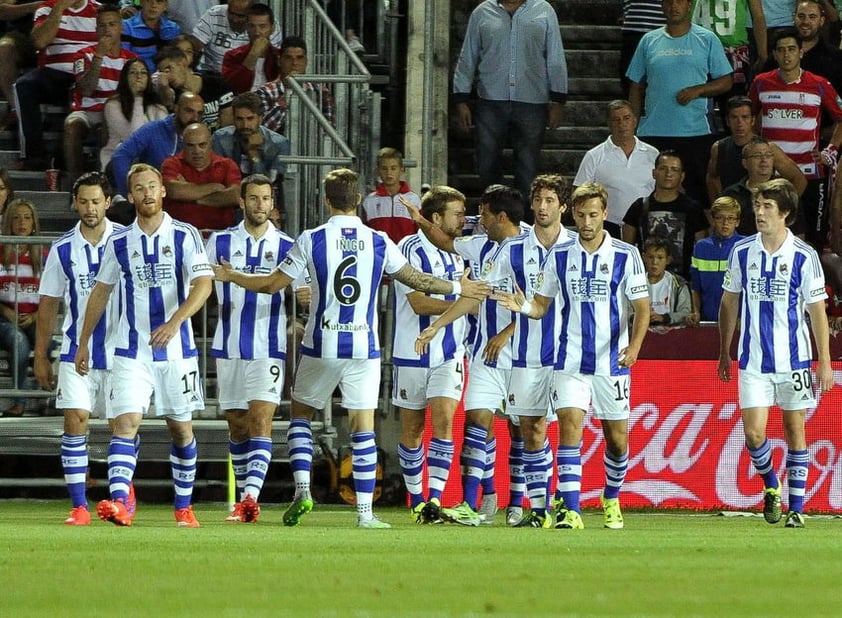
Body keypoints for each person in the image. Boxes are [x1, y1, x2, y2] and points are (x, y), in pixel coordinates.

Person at [211, 168, 489, 529]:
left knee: (300, 415)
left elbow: (271, 284)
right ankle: (364, 513)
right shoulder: (378, 240)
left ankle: (302, 490)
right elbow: (416, 280)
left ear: (327, 200)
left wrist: (232, 276)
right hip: (363, 347)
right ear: (358, 200)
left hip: (320, 345)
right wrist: (457, 288)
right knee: (363, 427)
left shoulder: (311, 239)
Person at [496, 182, 650, 530]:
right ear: (574, 213)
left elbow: (642, 309)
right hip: (569, 361)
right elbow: (541, 306)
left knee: (617, 440)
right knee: (569, 425)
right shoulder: (561, 256)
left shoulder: (626, 255)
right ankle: (571, 509)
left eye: (593, 214)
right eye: (581, 214)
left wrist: (635, 348)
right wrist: (523, 306)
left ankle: (611, 498)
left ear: (604, 214)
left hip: (612, 361)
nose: (586, 221)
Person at [74, 162, 213, 528]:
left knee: (181, 429)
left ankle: (184, 507)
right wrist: (83, 342)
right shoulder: (119, 242)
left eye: (153, 186)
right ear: (130, 195)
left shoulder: (185, 235)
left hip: (178, 353)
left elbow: (203, 285)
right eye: (140, 188)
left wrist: (175, 320)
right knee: (126, 423)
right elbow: (100, 292)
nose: (147, 193)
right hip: (130, 351)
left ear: (163, 191)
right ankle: (119, 500)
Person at [718, 178, 833, 528]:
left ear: (786, 213)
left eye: (768, 207)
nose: (760, 212)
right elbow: (729, 301)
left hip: (794, 361)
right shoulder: (742, 252)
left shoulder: (804, 256)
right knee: (753, 433)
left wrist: (824, 361)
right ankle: (772, 485)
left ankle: (797, 508)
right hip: (753, 361)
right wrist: (724, 349)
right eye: (758, 206)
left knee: (794, 429)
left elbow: (817, 312)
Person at [411, 184, 527, 527]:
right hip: (483, 353)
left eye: (485, 215)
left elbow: (544, 303)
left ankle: (518, 503)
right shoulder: (480, 246)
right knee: (476, 423)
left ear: (501, 217)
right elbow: (468, 288)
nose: (478, 221)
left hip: (524, 354)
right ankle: (468, 502)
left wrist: (508, 332)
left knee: (522, 431)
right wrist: (439, 325)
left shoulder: (534, 249)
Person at [33, 171, 127, 525]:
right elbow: (48, 303)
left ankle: (121, 496)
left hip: (122, 349)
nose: (90, 208)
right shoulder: (62, 248)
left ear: (108, 202)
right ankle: (79, 506)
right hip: (76, 348)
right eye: (83, 201)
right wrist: (41, 356)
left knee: (123, 423)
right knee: (75, 420)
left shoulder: (125, 240)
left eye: (96, 201)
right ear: (75, 203)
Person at [205, 174, 294, 523]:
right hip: (228, 345)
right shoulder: (220, 243)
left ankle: (249, 499)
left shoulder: (287, 246)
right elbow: (201, 283)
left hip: (268, 345)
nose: (260, 205)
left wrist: (304, 299)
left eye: (266, 199)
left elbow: (303, 289)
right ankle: (244, 498)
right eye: (253, 199)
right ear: (241, 202)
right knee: (238, 425)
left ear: (273, 204)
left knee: (261, 419)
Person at [392, 185, 467, 524]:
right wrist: (462, 302)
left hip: (450, 351)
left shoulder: (461, 251)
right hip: (412, 349)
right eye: (457, 214)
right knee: (412, 430)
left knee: (444, 420)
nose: (463, 220)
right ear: (436, 217)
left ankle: (435, 498)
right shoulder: (408, 248)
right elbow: (417, 301)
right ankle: (417, 500)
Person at [452, 0, 568, 203]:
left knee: (528, 168)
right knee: (487, 165)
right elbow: (467, 56)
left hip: (532, 101)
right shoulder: (482, 12)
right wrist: (461, 99)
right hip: (490, 100)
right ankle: (494, 216)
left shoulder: (544, 11)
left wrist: (558, 99)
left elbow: (555, 56)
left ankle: (523, 223)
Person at [627, 0, 734, 205]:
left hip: (695, 132)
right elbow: (635, 85)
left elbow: (726, 81)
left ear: (689, 5)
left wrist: (698, 90)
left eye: (679, 1)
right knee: (649, 194)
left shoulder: (707, 39)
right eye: (668, 1)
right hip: (653, 132)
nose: (673, 6)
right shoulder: (648, 40)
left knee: (696, 196)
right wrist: (633, 123)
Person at [749, 28, 842, 251]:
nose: (786, 55)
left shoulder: (819, 84)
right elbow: (750, 116)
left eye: (791, 49)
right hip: (772, 176)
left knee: (813, 239)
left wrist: (830, 150)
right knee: (770, 236)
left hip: (811, 174)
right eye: (780, 50)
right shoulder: (761, 83)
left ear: (801, 52)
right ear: (774, 54)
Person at [12, 0, 101, 170]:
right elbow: (39, 42)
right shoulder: (47, 7)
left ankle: (64, 162)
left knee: (78, 92)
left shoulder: (99, 9)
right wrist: (59, 8)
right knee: (23, 85)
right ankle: (33, 156)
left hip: (85, 74)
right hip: (54, 73)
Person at [64, 4, 137, 183]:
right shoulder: (83, 55)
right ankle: (76, 184)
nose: (107, 30)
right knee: (72, 125)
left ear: (121, 27)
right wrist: (99, 57)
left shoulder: (132, 60)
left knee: (111, 119)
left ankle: (104, 182)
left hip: (119, 111)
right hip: (89, 111)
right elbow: (86, 89)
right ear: (96, 30)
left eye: (112, 24)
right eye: (102, 26)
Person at [572, 99, 659, 235]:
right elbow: (579, 195)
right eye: (616, 120)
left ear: (635, 121)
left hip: (646, 226)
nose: (622, 124)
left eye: (626, 118)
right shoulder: (594, 156)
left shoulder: (653, 154)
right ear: (609, 124)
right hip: (607, 227)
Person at [622, 150, 708, 279]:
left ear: (682, 176)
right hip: (644, 282)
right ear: (654, 173)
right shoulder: (639, 207)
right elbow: (626, 249)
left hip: (682, 282)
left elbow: (702, 248)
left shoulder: (693, 209)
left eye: (674, 169)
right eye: (663, 168)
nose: (668, 174)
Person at [706, 95, 807, 202]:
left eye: (745, 117)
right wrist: (718, 207)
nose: (739, 123)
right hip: (734, 212)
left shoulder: (768, 148)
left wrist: (783, 208)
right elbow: (712, 177)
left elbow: (799, 179)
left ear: (752, 120)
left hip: (762, 210)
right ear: (727, 121)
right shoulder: (719, 147)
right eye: (734, 117)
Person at [0, 198, 47, 418]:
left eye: (27, 218)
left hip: (33, 317)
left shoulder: (45, 257)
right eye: (16, 218)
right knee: (19, 341)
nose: (22, 223)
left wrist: (37, 314)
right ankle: (19, 401)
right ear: (8, 223)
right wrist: (4, 309)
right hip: (3, 318)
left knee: (47, 341)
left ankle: (44, 398)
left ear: (34, 224)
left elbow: (53, 296)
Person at [109, 90, 203, 197]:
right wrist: (129, 193)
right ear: (176, 109)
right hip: (151, 197)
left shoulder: (203, 137)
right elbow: (121, 155)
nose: (195, 118)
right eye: (189, 111)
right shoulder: (153, 129)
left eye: (199, 113)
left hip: (186, 197)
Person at [161, 121, 241, 232]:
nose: (197, 151)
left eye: (202, 145)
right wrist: (215, 188)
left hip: (222, 235)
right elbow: (173, 191)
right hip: (180, 236)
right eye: (190, 146)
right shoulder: (171, 164)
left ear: (210, 144)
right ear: (183, 145)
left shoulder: (227, 165)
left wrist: (191, 197)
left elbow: (235, 196)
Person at [722, 137, 808, 236]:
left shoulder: (786, 194)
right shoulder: (731, 195)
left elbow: (798, 235)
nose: (764, 160)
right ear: (745, 163)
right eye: (757, 156)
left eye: (768, 155)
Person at [255, 35, 334, 136]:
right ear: (279, 61)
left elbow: (329, 132)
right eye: (288, 58)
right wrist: (287, 95)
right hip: (275, 149)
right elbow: (262, 131)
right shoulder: (264, 92)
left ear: (306, 61)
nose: (294, 63)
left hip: (312, 147)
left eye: (300, 58)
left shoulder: (321, 91)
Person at [211, 92, 289, 193]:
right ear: (233, 118)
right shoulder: (220, 138)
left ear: (260, 119)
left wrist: (253, 152)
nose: (245, 125)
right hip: (228, 197)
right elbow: (217, 179)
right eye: (239, 119)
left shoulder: (279, 144)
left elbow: (267, 185)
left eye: (250, 118)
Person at [100, 57, 167, 169]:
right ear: (125, 78)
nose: (138, 76)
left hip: (149, 161)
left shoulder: (156, 106)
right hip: (118, 160)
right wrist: (137, 97)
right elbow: (133, 138)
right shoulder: (113, 105)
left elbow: (163, 136)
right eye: (133, 72)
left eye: (143, 73)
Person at [687, 196, 744, 325]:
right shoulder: (701, 247)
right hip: (708, 321)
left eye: (730, 218)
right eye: (720, 218)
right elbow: (695, 286)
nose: (725, 223)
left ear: (737, 222)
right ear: (712, 220)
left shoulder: (745, 247)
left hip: (738, 323)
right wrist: (696, 312)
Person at [188, 0, 282, 78]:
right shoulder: (213, 14)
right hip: (213, 75)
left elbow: (272, 62)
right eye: (231, 13)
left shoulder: (266, 24)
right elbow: (194, 45)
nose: (234, 19)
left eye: (241, 16)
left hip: (253, 76)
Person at [152, 45, 233, 131]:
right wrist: (164, 88)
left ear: (183, 63)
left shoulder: (217, 83)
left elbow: (227, 127)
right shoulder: (171, 94)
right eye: (163, 73)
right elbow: (168, 102)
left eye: (168, 70)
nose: (167, 76)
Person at [360, 147, 420, 244]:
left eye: (393, 168)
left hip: (406, 255)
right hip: (380, 255)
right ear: (378, 171)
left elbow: (420, 231)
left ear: (401, 170)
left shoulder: (413, 200)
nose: (389, 173)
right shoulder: (370, 201)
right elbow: (364, 232)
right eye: (384, 168)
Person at [220, 3, 280, 94]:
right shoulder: (232, 56)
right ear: (246, 28)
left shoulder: (279, 56)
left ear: (272, 28)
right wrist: (253, 55)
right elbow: (234, 88)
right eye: (252, 26)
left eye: (262, 26)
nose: (257, 32)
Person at [0, 0, 39, 129]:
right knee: (5, 48)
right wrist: (36, 6)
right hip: (23, 39)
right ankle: (16, 109)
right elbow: (2, 10)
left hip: (61, 36)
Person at [642, 235, 691, 326]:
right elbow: (626, 311)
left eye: (660, 258)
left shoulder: (679, 284)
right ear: (644, 257)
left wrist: (665, 318)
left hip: (672, 335)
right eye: (650, 257)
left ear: (668, 260)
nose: (655, 262)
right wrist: (641, 317)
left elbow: (685, 312)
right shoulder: (635, 283)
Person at [120, 0, 180, 72]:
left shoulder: (173, 28)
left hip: (166, 76)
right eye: (149, 1)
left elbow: (174, 59)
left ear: (165, 6)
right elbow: (124, 59)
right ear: (141, 2)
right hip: (137, 75)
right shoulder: (126, 26)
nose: (153, 5)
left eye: (159, 2)